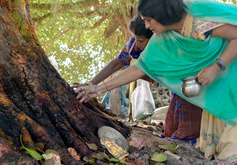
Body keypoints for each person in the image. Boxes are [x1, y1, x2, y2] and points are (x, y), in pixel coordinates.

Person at [76, 0, 237, 164]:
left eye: (148, 20)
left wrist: (216, 66)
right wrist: (97, 88)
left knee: (235, 93)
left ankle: (233, 152)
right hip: (228, 49)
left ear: (161, 16)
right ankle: (220, 148)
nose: (147, 26)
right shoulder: (163, 36)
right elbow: (139, 68)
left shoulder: (197, 19)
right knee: (218, 91)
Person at [75, 14, 203, 141]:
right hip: (175, 90)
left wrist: (98, 89)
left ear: (155, 36)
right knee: (171, 130)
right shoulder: (134, 45)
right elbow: (116, 63)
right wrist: (90, 83)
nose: (137, 44)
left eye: (141, 41)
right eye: (134, 38)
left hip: (189, 85)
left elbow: (137, 70)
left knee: (188, 128)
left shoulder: (168, 45)